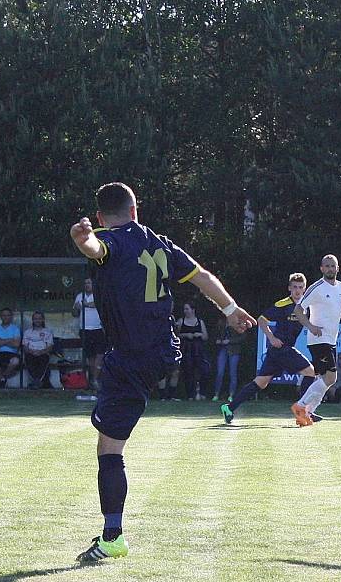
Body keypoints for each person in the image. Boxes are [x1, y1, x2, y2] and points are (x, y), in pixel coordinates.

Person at [70, 182, 255, 562]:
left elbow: (97, 249)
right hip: (162, 349)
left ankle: (112, 537)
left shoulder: (110, 240)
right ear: (135, 211)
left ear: (102, 217)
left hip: (129, 357)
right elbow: (202, 276)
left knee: (109, 447)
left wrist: (81, 239)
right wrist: (231, 309)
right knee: (112, 437)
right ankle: (112, 533)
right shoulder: (159, 242)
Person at [220, 273, 316, 424]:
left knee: (261, 382)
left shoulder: (306, 307)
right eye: (295, 287)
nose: (297, 290)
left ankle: (229, 408)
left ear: (304, 289)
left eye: (300, 287)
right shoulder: (282, 304)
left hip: (277, 352)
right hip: (281, 348)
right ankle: (303, 410)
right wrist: (272, 338)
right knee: (310, 371)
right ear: (289, 288)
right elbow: (261, 320)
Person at [289, 255, 341, 426]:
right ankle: (301, 407)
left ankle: (307, 412)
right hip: (318, 339)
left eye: (333, 266)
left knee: (327, 379)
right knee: (330, 378)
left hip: (331, 339)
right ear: (321, 268)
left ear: (338, 268)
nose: (330, 269)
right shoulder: (317, 288)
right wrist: (310, 326)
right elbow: (298, 309)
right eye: (327, 266)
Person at [73, 278, 107, 390]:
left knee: (100, 354)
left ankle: (96, 379)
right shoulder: (79, 296)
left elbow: (96, 304)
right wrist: (77, 308)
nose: (87, 285)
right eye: (85, 283)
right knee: (91, 356)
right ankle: (94, 380)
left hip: (97, 328)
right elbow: (74, 313)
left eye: (89, 283)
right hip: (85, 329)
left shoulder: (98, 294)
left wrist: (86, 305)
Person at [175, 303, 209, 400]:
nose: (185, 311)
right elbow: (176, 336)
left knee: (204, 370)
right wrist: (186, 335)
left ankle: (202, 393)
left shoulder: (200, 321)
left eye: (187, 309)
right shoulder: (181, 321)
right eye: (184, 309)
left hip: (199, 350)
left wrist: (199, 334)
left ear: (193, 310)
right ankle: (190, 395)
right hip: (186, 350)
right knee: (188, 372)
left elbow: (205, 336)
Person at [211, 312, 245, 402]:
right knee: (220, 372)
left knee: (232, 373)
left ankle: (231, 395)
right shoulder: (221, 322)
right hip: (223, 349)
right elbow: (216, 334)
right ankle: (216, 394)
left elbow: (243, 337)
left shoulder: (238, 322)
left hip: (234, 350)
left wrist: (229, 341)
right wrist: (218, 340)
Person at [0, 307, 22, 388]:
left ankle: (1, 378)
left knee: (15, 362)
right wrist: (10, 340)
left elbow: (16, 344)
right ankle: (3, 378)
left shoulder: (15, 329)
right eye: (3, 315)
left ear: (11, 317)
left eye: (8, 315)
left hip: (12, 353)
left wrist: (1, 340)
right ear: (0, 316)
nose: (6, 317)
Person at [22, 311, 55, 389]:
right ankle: (38, 382)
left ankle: (36, 382)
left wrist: (40, 352)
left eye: (39, 318)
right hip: (31, 353)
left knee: (43, 359)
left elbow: (50, 347)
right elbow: (25, 347)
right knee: (29, 358)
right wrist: (32, 352)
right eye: (35, 319)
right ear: (32, 320)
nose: (37, 320)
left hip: (43, 353)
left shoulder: (47, 332)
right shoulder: (27, 332)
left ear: (43, 320)